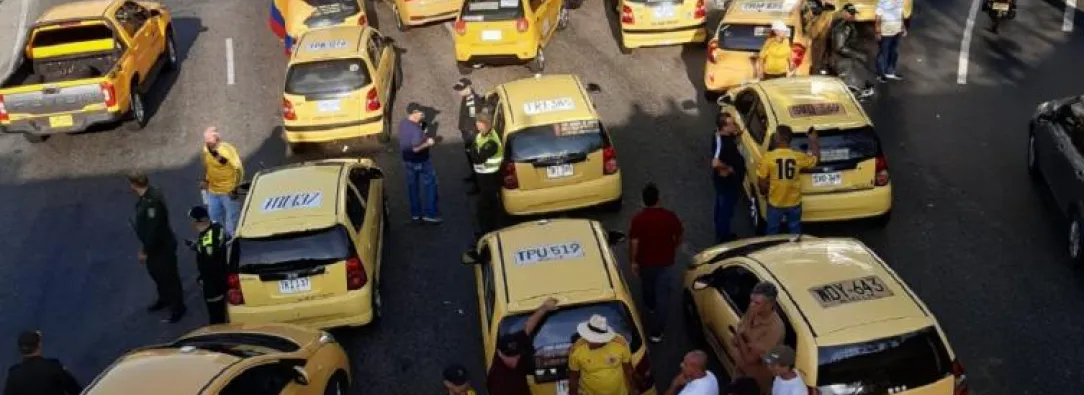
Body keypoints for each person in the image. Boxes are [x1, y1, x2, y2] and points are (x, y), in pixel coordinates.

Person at [628, 183, 684, 343]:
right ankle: (657, 330)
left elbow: (634, 242)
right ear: (658, 199)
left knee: (647, 287)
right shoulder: (669, 217)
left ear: (643, 201)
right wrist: (674, 247)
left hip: (645, 263)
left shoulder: (638, 219)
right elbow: (679, 235)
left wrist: (633, 261)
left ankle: (650, 306)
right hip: (665, 262)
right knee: (664, 297)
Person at [128, 171, 186, 323]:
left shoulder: (152, 201)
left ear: (134, 185)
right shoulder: (148, 195)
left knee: (169, 277)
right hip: (154, 245)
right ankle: (164, 298)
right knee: (157, 274)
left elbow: (155, 229)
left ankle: (178, 308)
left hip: (161, 246)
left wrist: (145, 250)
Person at [755, 126, 819, 235]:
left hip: (775, 202)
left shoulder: (769, 157)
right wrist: (813, 140)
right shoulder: (798, 156)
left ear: (778, 139)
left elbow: (761, 180)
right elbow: (815, 160)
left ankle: (772, 249)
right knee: (795, 229)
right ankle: (794, 249)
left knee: (772, 230)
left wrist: (764, 193)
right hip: (794, 202)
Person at [487, 297, 559, 394]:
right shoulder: (497, 381)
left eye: (516, 355)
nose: (515, 360)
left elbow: (528, 327)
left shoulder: (516, 342)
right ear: (499, 353)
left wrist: (544, 308)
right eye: (510, 357)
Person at [728, 282, 785, 393]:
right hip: (739, 372)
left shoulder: (775, 328)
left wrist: (739, 337)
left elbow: (751, 359)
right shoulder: (753, 309)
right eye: (751, 301)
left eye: (757, 303)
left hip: (754, 382)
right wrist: (745, 343)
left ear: (770, 304)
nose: (752, 305)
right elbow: (740, 329)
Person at [568, 314, 640, 395]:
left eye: (594, 339)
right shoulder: (576, 349)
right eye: (588, 337)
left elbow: (628, 369)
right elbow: (573, 378)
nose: (590, 342)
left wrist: (634, 388)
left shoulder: (620, 343)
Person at [184, 206, 229, 325]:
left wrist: (203, 279)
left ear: (201, 220)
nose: (192, 224)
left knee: (215, 311)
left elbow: (209, 264)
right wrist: (195, 245)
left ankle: (217, 336)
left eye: (194, 220)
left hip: (213, 282)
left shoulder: (207, 242)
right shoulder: (216, 227)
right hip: (223, 271)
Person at [399, 103, 443, 224]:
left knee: (413, 187)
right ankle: (430, 213)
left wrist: (423, 129)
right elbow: (415, 148)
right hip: (421, 161)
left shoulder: (404, 123)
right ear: (414, 113)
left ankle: (415, 213)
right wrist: (428, 143)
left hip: (407, 161)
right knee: (430, 185)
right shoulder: (416, 130)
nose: (423, 115)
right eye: (421, 113)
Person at [2, 331, 82, 395]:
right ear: (39, 345)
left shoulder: (13, 375)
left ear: (20, 350)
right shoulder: (53, 366)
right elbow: (77, 390)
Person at [200, 126, 243, 237]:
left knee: (232, 225)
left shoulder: (227, 150)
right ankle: (220, 243)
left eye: (209, 140)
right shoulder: (206, 149)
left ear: (217, 139)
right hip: (212, 191)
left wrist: (235, 188)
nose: (207, 142)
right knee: (215, 222)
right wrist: (204, 179)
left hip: (228, 192)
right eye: (206, 140)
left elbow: (238, 169)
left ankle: (232, 246)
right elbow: (207, 164)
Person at [711, 113, 745, 243]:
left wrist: (735, 133)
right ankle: (723, 237)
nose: (734, 126)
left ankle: (720, 229)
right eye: (731, 124)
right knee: (725, 209)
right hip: (727, 183)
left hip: (727, 182)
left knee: (721, 206)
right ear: (724, 127)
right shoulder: (722, 143)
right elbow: (715, 162)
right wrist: (728, 168)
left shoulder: (721, 135)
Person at [468, 112, 503, 236]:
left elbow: (477, 157)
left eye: (479, 122)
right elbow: (472, 150)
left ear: (486, 124)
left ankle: (489, 231)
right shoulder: (481, 135)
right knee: (484, 205)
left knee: (487, 206)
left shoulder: (491, 141)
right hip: (482, 176)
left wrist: (474, 152)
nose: (477, 124)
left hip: (490, 176)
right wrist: (474, 152)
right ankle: (487, 229)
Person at [827, 4, 875, 97]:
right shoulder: (842, 27)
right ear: (844, 13)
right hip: (838, 58)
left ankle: (859, 87)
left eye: (853, 14)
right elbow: (839, 48)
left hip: (839, 56)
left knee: (862, 60)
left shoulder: (846, 24)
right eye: (850, 13)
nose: (853, 16)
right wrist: (857, 54)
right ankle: (852, 91)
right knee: (854, 64)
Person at [455, 78, 483, 195]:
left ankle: (478, 185)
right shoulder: (466, 97)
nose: (458, 92)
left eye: (461, 90)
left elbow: (473, 120)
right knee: (470, 157)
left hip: (471, 133)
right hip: (467, 132)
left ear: (468, 88)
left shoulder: (472, 101)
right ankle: (474, 176)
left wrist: (472, 136)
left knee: (475, 158)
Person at [874, 0, 906, 82]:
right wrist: (877, 32)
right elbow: (877, 18)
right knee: (883, 53)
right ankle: (880, 74)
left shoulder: (900, 1)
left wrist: (903, 27)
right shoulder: (882, 2)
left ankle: (890, 72)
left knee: (894, 52)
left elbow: (901, 14)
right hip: (885, 33)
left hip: (897, 31)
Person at [804, 1, 837, 74]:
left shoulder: (825, 14)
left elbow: (813, 33)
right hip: (819, 47)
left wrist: (810, 22)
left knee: (815, 68)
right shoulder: (825, 12)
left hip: (817, 47)